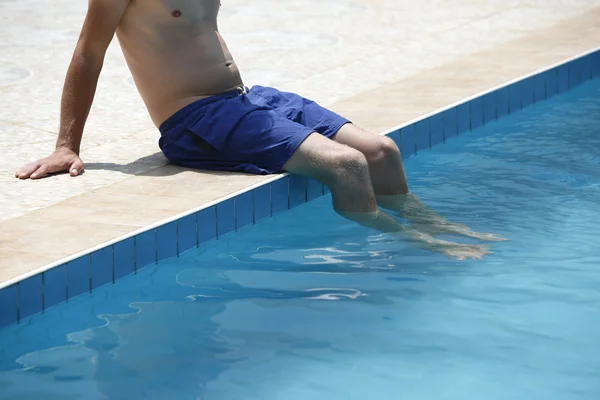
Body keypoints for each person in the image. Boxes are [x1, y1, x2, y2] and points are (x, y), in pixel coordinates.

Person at [15, 0, 504, 259]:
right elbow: (88, 52)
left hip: (247, 100)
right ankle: (417, 248)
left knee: (381, 151)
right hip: (196, 119)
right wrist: (66, 145)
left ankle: (435, 224)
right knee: (348, 166)